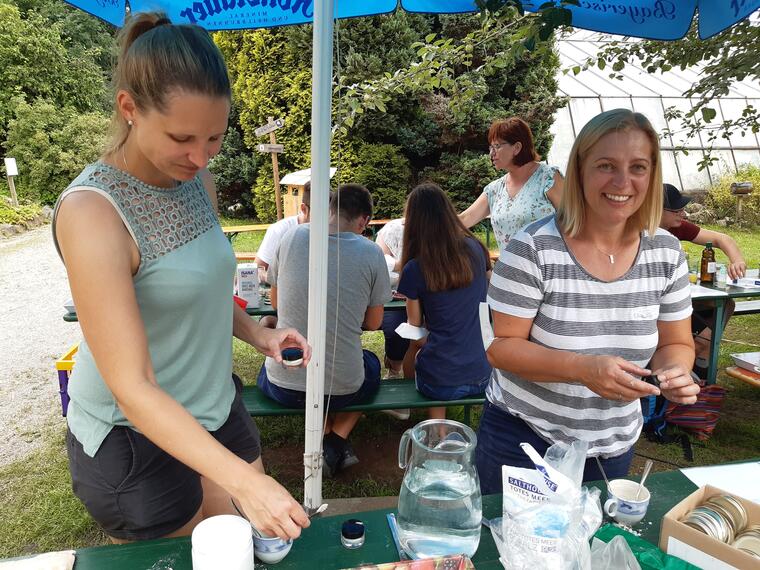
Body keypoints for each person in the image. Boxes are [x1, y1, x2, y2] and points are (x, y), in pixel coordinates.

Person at [52, 13, 311, 543]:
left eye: (214, 137)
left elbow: (205, 285)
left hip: (215, 402)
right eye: (182, 137)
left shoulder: (196, 179)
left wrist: (258, 333)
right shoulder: (92, 213)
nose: (200, 155)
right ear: (129, 109)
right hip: (133, 436)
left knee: (246, 549)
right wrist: (244, 480)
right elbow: (132, 387)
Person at [476, 109, 700, 493]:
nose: (623, 182)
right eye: (606, 166)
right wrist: (582, 368)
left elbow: (675, 343)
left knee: (588, 547)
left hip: (611, 446)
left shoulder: (666, 252)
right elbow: (502, 349)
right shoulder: (532, 247)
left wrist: (674, 372)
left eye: (638, 167)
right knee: (510, 549)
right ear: (579, 171)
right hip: (525, 441)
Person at [256, 184, 391, 477]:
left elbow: (277, 303)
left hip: (283, 383)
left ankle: (327, 437)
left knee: (286, 374)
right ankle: (335, 438)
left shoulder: (291, 237)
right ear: (364, 221)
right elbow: (374, 323)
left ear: (329, 209)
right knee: (370, 366)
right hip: (343, 388)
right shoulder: (371, 253)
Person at [397, 183, 492, 419]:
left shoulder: (415, 268)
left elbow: (415, 329)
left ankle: (432, 425)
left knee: (419, 350)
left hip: (441, 381)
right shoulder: (476, 248)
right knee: (444, 356)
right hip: (484, 372)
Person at [660, 182, 747, 379]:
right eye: (677, 210)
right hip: (657, 305)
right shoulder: (637, 233)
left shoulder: (677, 228)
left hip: (682, 297)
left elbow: (722, 239)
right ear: (657, 210)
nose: (683, 215)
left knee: (725, 304)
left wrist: (738, 260)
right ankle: (696, 359)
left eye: (683, 209)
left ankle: (702, 356)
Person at [459, 117, 564, 253]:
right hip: (510, 272)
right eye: (491, 147)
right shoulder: (495, 190)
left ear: (517, 147)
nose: (492, 153)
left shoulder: (548, 178)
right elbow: (465, 219)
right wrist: (427, 222)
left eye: (497, 146)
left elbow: (575, 222)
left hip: (550, 271)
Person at [255, 181, 311, 285]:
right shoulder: (279, 230)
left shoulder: (331, 231)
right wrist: (283, 282)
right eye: (319, 212)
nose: (326, 219)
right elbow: (257, 270)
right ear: (304, 209)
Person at [376, 218, 408, 378]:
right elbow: (379, 266)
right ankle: (394, 368)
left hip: (428, 294)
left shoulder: (442, 230)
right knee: (395, 329)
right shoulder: (392, 229)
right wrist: (401, 265)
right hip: (394, 295)